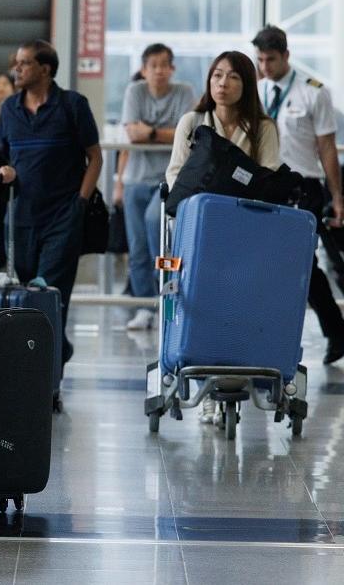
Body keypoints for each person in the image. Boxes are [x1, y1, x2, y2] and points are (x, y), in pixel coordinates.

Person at [165, 50, 280, 422]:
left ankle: (234, 377)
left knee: (240, 304)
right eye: (216, 76)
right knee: (202, 304)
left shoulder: (262, 127)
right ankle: (209, 389)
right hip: (198, 232)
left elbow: (269, 175)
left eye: (232, 77)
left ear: (246, 85)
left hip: (245, 232)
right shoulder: (193, 121)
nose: (222, 84)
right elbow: (175, 176)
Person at [0, 39, 102, 364]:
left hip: (62, 217)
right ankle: (51, 355)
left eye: (24, 63)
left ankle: (47, 379)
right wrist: (6, 171)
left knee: (49, 296)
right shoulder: (9, 109)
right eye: (17, 62)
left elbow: (94, 157)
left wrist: (79, 204)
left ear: (45, 69)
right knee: (24, 298)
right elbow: (5, 155)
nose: (17, 69)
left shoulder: (73, 104)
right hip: (20, 219)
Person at [251, 26, 344, 364]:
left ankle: (332, 331)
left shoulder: (313, 92)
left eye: (271, 60)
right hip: (266, 185)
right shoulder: (255, 91)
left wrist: (337, 196)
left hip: (304, 187)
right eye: (260, 60)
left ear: (286, 56)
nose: (265, 67)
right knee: (283, 263)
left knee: (301, 261)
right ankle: (333, 331)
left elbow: (327, 149)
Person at [116, 44, 195, 331]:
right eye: (153, 65)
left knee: (156, 233)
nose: (159, 71)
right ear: (144, 69)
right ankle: (143, 306)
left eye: (165, 65)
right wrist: (162, 134)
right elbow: (131, 135)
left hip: (168, 178)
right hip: (136, 179)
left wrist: (149, 131)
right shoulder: (135, 92)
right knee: (136, 248)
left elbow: (187, 134)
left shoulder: (184, 92)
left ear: (172, 69)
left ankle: (166, 300)